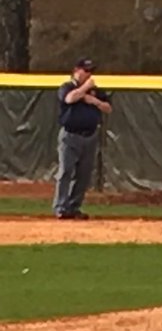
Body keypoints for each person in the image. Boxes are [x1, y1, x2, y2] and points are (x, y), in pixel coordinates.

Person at [53, 57, 112, 220]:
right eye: (86, 71)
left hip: (90, 136)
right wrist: (85, 89)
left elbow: (108, 108)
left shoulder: (96, 91)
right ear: (76, 70)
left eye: (91, 71)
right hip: (70, 136)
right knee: (65, 172)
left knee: (84, 175)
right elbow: (69, 99)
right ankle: (61, 207)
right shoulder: (67, 87)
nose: (89, 74)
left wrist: (93, 100)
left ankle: (73, 207)